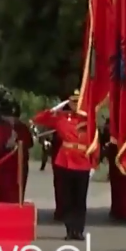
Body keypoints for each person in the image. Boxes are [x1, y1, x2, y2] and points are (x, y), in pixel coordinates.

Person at [32, 90, 94, 240]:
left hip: (83, 162)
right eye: (72, 102)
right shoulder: (62, 118)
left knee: (80, 199)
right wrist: (55, 109)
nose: (75, 105)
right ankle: (69, 230)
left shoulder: (89, 120)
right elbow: (38, 119)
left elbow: (95, 141)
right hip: (65, 162)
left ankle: (78, 230)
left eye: (78, 102)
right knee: (67, 199)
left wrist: (94, 163)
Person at [0, 97, 31, 204]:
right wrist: (6, 146)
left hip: (20, 167)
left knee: (18, 194)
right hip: (4, 167)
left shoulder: (22, 128)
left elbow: (29, 144)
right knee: (4, 195)